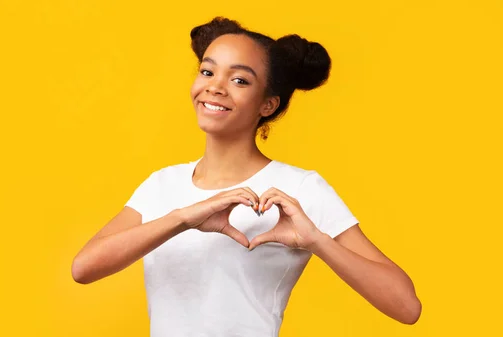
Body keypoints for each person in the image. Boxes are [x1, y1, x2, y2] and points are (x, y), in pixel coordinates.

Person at [71, 16, 422, 336]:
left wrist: (316, 240)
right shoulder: (162, 185)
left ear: (267, 104)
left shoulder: (299, 189)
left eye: (239, 80)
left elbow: (406, 307)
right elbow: (84, 268)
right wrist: (183, 218)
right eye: (207, 72)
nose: (215, 87)